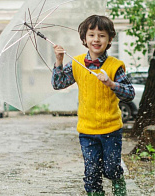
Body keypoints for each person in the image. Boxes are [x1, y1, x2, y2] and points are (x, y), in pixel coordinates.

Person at [52, 15, 135, 196]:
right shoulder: (77, 63)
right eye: (91, 35)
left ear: (110, 39)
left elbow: (130, 94)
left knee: (111, 169)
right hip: (87, 131)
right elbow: (58, 84)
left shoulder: (115, 66)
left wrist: (112, 84)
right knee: (91, 174)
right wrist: (59, 61)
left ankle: (119, 184)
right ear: (84, 39)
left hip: (111, 130)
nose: (96, 39)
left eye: (102, 35)